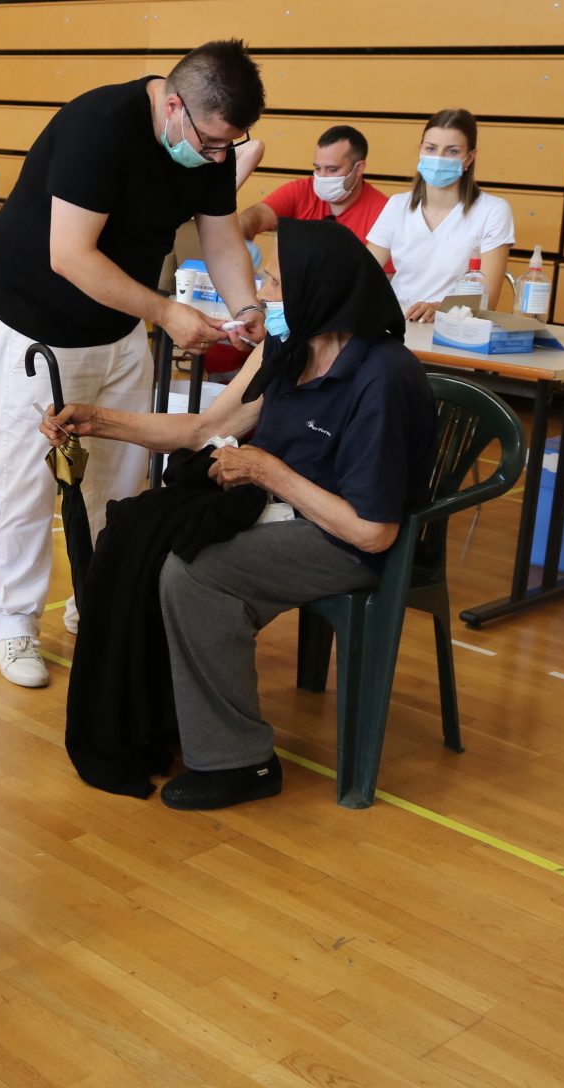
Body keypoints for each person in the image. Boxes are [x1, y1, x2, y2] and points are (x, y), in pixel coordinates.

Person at [44, 221, 437, 810]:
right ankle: (171, 715)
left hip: (345, 541)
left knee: (192, 571)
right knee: (139, 534)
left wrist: (266, 471)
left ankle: (241, 761)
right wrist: (96, 421)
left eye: (274, 282)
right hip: (284, 511)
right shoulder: (291, 346)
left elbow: (372, 532)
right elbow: (205, 430)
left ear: (318, 290)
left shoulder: (381, 379)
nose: (262, 296)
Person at [0, 40, 268, 689]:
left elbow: (220, 236)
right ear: (172, 105)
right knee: (31, 476)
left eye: (230, 147)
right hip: (36, 324)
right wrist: (165, 313)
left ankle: (97, 600)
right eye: (213, 144)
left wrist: (246, 306)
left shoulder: (208, 139)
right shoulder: (98, 128)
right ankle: (13, 620)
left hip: (121, 326)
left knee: (121, 480)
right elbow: (70, 255)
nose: (220, 159)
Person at [365, 109, 514, 321]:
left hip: (455, 324)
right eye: (431, 148)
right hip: (397, 321)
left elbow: (487, 300)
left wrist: (440, 307)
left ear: (470, 157)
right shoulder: (397, 205)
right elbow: (363, 272)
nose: (438, 158)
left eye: (452, 151)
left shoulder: (493, 211)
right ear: (420, 150)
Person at [237, 124, 387, 243]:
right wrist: (244, 237)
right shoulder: (301, 190)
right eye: (317, 168)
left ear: (359, 168)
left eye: (332, 169)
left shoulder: (383, 213)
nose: (321, 177)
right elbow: (254, 216)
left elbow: (384, 279)